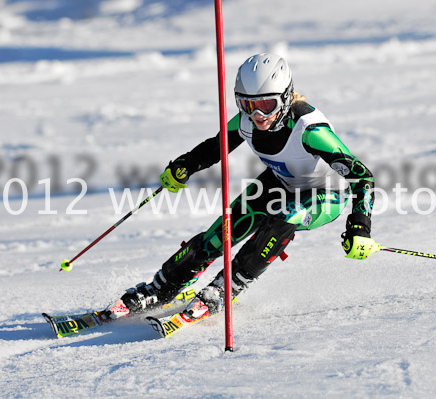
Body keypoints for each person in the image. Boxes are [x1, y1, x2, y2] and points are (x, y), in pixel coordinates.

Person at [104, 53, 375, 321]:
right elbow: (215, 147)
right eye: (246, 104)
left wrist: (359, 226)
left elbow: (362, 176)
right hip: (279, 183)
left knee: (286, 216)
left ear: (286, 96)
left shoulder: (309, 130)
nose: (257, 114)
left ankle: (225, 288)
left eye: (267, 105)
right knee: (219, 235)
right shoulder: (246, 122)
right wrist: (184, 166)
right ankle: (161, 288)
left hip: (326, 196)